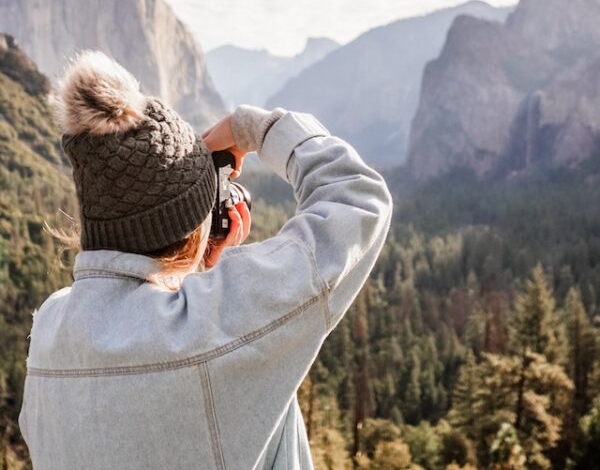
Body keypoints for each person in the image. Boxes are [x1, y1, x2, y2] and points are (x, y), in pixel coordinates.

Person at [18, 49, 393, 470]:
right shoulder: (214, 325)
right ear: (193, 229)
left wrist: (197, 266)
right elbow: (358, 198)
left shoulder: (50, 330)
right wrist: (257, 128)